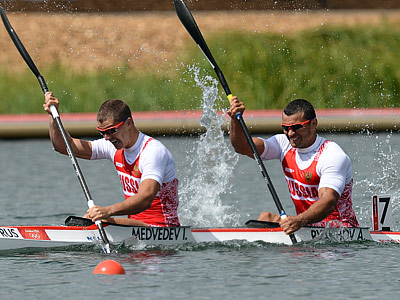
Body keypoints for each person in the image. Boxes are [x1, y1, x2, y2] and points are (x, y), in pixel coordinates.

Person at [43, 92, 180, 227]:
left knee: (94, 222)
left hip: (163, 227)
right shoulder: (113, 146)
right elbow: (64, 146)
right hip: (137, 228)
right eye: (102, 132)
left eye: (112, 131)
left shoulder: (152, 151)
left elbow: (146, 198)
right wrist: (53, 116)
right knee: (88, 220)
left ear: (129, 123)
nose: (107, 137)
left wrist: (107, 211)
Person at [227, 96, 359, 235]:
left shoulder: (331, 155)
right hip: (306, 226)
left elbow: (328, 202)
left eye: (296, 127)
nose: (290, 134)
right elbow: (242, 147)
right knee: (265, 218)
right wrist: (235, 120)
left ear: (314, 123)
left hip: (339, 234)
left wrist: (299, 221)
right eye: (286, 128)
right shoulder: (283, 144)